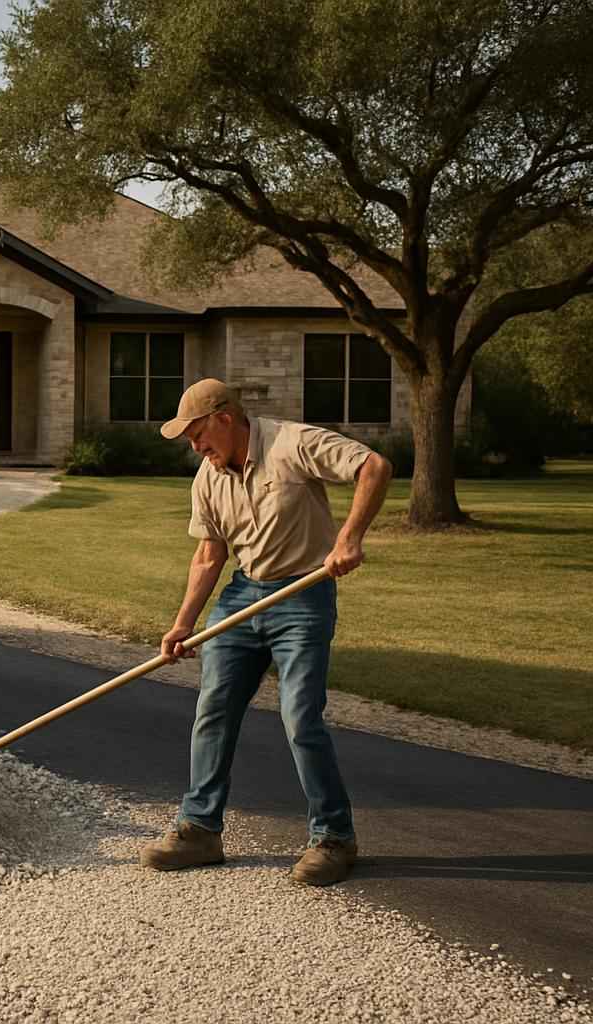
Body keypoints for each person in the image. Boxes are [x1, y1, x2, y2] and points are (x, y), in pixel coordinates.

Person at [139, 378, 392, 886]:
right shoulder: (207, 479)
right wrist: (183, 623)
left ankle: (334, 837)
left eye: (198, 434)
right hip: (242, 595)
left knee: (300, 717)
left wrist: (349, 537)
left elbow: (374, 466)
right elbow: (210, 554)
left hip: (303, 594)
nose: (195, 446)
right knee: (213, 707)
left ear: (225, 418)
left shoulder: (292, 443)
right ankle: (200, 828)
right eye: (188, 439)